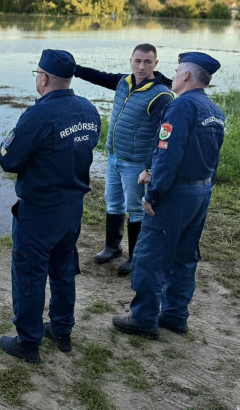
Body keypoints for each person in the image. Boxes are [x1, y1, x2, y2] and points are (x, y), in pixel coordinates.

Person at [0, 50, 101, 362]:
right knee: (63, 270)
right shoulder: (88, 109)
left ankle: (28, 342)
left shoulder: (38, 114)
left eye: (36, 74)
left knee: (29, 273)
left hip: (40, 210)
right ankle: (62, 329)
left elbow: (8, 159)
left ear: (43, 78)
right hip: (72, 207)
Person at [112, 52, 224, 338]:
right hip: (201, 191)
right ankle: (175, 315)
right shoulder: (213, 110)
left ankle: (144, 318)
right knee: (185, 256)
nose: (172, 76)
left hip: (176, 194)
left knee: (150, 255)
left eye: (176, 71)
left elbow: (168, 154)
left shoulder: (180, 107)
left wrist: (153, 193)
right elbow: (209, 154)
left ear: (186, 75)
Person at [74, 44, 174, 275]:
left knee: (136, 210)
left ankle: (135, 257)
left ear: (156, 64)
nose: (141, 66)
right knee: (113, 202)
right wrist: (74, 69)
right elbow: (99, 77)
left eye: (147, 62)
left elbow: (164, 136)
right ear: (130, 60)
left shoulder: (161, 96)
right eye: (137, 61)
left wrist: (150, 167)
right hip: (115, 156)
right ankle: (112, 247)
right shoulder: (124, 82)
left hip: (137, 163)